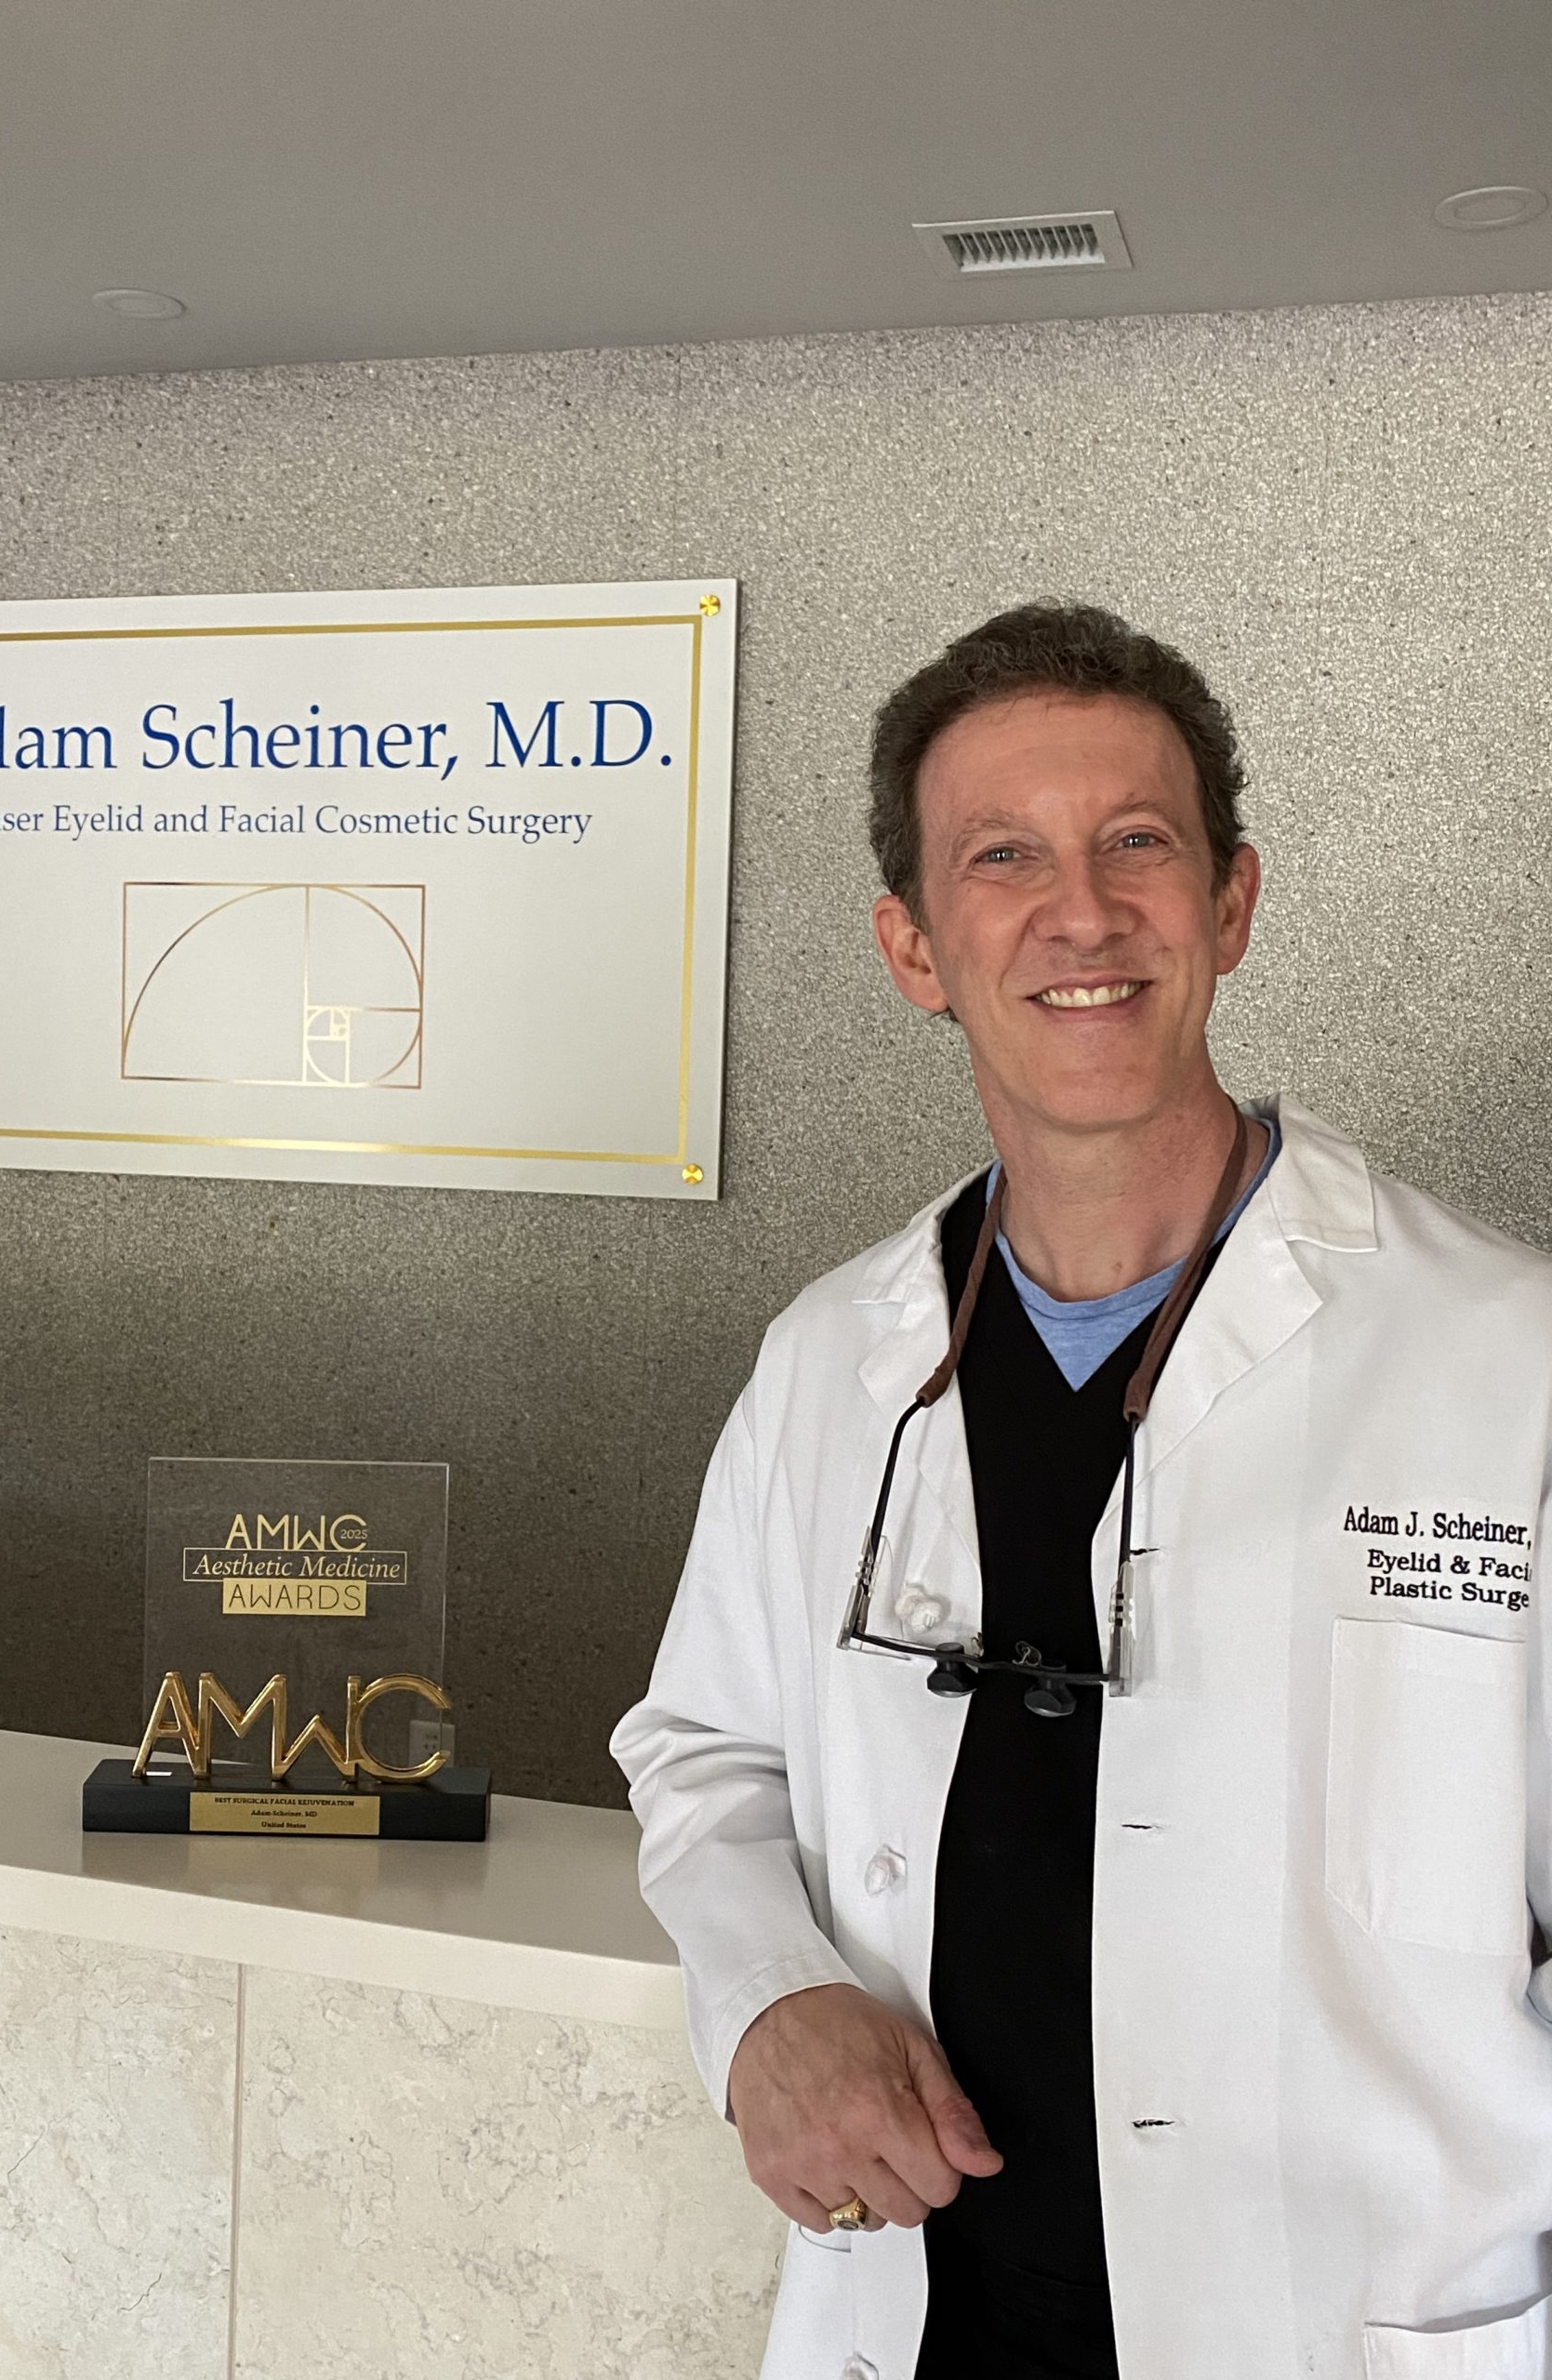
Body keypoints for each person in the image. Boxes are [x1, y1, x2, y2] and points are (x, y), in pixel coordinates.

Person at [611, 602, 1552, 2380]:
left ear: (1233, 902)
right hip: (928, 2316)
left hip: (1365, 2334)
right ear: (911, 944)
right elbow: (704, 1748)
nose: (1085, 913)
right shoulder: (832, 1360)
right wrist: (766, 1999)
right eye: (1001, 858)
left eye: (1140, 842)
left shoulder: (1510, 1367)